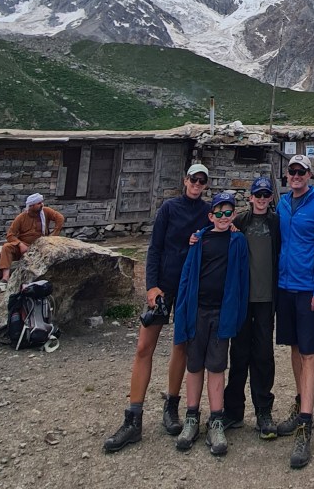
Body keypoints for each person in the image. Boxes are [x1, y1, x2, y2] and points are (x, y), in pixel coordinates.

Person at [103, 162, 212, 453]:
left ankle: (171, 407)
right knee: (144, 347)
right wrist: (151, 286)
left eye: (202, 181)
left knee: (181, 346)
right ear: (185, 179)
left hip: (189, 288)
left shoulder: (207, 212)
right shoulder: (168, 209)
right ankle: (133, 418)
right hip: (163, 285)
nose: (196, 184)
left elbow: (223, 228)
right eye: (193, 179)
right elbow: (155, 248)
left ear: (205, 185)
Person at [274, 153, 314, 469]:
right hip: (285, 287)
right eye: (292, 171)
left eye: (301, 171)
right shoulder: (283, 204)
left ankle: (305, 424)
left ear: (309, 175)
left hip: (308, 290)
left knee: (309, 353)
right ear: (287, 175)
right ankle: (300, 405)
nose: (296, 175)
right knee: (295, 348)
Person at [173, 191, 249, 456]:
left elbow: (243, 279)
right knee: (194, 365)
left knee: (216, 366)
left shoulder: (238, 241)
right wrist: (182, 311)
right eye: (219, 212)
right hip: (198, 312)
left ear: (234, 215)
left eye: (228, 212)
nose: (224, 217)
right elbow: (186, 278)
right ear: (211, 215)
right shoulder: (199, 240)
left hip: (222, 313)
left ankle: (216, 420)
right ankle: (191, 417)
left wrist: (238, 313)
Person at [223, 176, 281, 439]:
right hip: (243, 299)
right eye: (258, 195)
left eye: (266, 195)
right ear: (250, 197)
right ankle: (233, 411)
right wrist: (196, 237)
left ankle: (263, 411)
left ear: (270, 198)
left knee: (264, 355)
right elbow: (217, 233)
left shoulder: (276, 223)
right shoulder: (239, 222)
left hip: (267, 299)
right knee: (238, 354)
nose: (261, 199)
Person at [0, 193, 63, 289]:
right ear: (31, 206)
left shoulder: (46, 211)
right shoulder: (21, 217)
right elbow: (10, 235)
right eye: (39, 203)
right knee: (6, 247)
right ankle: (5, 278)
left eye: (41, 202)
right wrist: (20, 244)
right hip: (24, 246)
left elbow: (60, 218)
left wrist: (54, 234)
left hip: (41, 245)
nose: (42, 204)